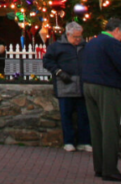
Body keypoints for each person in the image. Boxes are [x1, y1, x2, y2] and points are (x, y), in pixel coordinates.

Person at [81, 17, 121, 182]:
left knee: (97, 129)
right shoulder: (112, 43)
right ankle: (110, 169)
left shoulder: (93, 42)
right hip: (106, 87)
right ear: (116, 31)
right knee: (110, 129)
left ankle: (99, 167)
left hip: (89, 86)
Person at [42, 22, 91, 152]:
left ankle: (84, 141)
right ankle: (69, 141)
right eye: (75, 37)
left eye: (79, 37)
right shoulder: (56, 47)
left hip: (81, 85)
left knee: (84, 116)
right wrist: (58, 72)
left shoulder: (85, 46)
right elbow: (47, 61)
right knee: (66, 115)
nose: (78, 39)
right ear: (68, 34)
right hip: (65, 84)